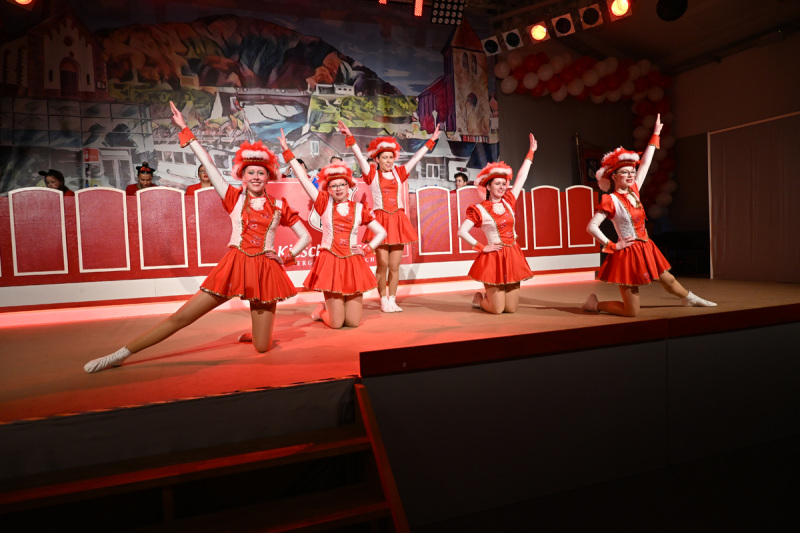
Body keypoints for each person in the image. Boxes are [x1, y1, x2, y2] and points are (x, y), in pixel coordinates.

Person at [83, 102, 311, 373]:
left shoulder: (280, 206)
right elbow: (208, 163)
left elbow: (305, 237)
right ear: (242, 176)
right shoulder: (233, 198)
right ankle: (122, 353)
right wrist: (185, 129)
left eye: (261, 172)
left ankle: (256, 333)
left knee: (262, 348)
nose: (256, 176)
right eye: (250, 172)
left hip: (264, 271)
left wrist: (286, 257)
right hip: (234, 266)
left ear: (269, 176)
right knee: (182, 316)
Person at [582, 114, 716, 317]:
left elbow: (645, 163)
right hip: (627, 253)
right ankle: (595, 304)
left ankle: (690, 298)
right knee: (631, 312)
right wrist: (613, 245)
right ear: (614, 177)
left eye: (632, 172)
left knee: (669, 279)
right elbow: (591, 227)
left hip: (646, 247)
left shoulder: (634, 191)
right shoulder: (610, 200)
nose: (631, 175)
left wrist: (655, 135)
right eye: (625, 172)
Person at [278, 129, 386, 329]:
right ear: (328, 188)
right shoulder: (323, 203)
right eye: (334, 185)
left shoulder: (360, 209)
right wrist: (287, 151)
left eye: (342, 184)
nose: (338, 188)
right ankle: (321, 311)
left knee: (353, 323)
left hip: (353, 264)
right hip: (330, 262)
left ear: (349, 186)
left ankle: (330, 309)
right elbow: (303, 179)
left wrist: (367, 249)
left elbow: (382, 232)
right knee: (336, 323)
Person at [337, 121, 440, 313]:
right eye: (385, 157)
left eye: (391, 157)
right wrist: (349, 136)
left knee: (394, 266)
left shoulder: (400, 173)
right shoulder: (371, 174)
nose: (389, 161)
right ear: (377, 159)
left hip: (398, 221)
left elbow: (416, 158)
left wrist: (431, 141)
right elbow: (358, 155)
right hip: (381, 222)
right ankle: (383, 299)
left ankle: (393, 299)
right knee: (382, 265)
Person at [457, 134, 538, 314]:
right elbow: (461, 231)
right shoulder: (479, 209)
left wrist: (531, 152)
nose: (502, 187)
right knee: (497, 309)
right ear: (488, 186)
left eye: (504, 183)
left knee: (511, 309)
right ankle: (479, 300)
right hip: (494, 258)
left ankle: (488, 299)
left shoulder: (509, 200)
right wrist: (482, 247)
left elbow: (521, 178)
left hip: (513, 255)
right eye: (497, 184)